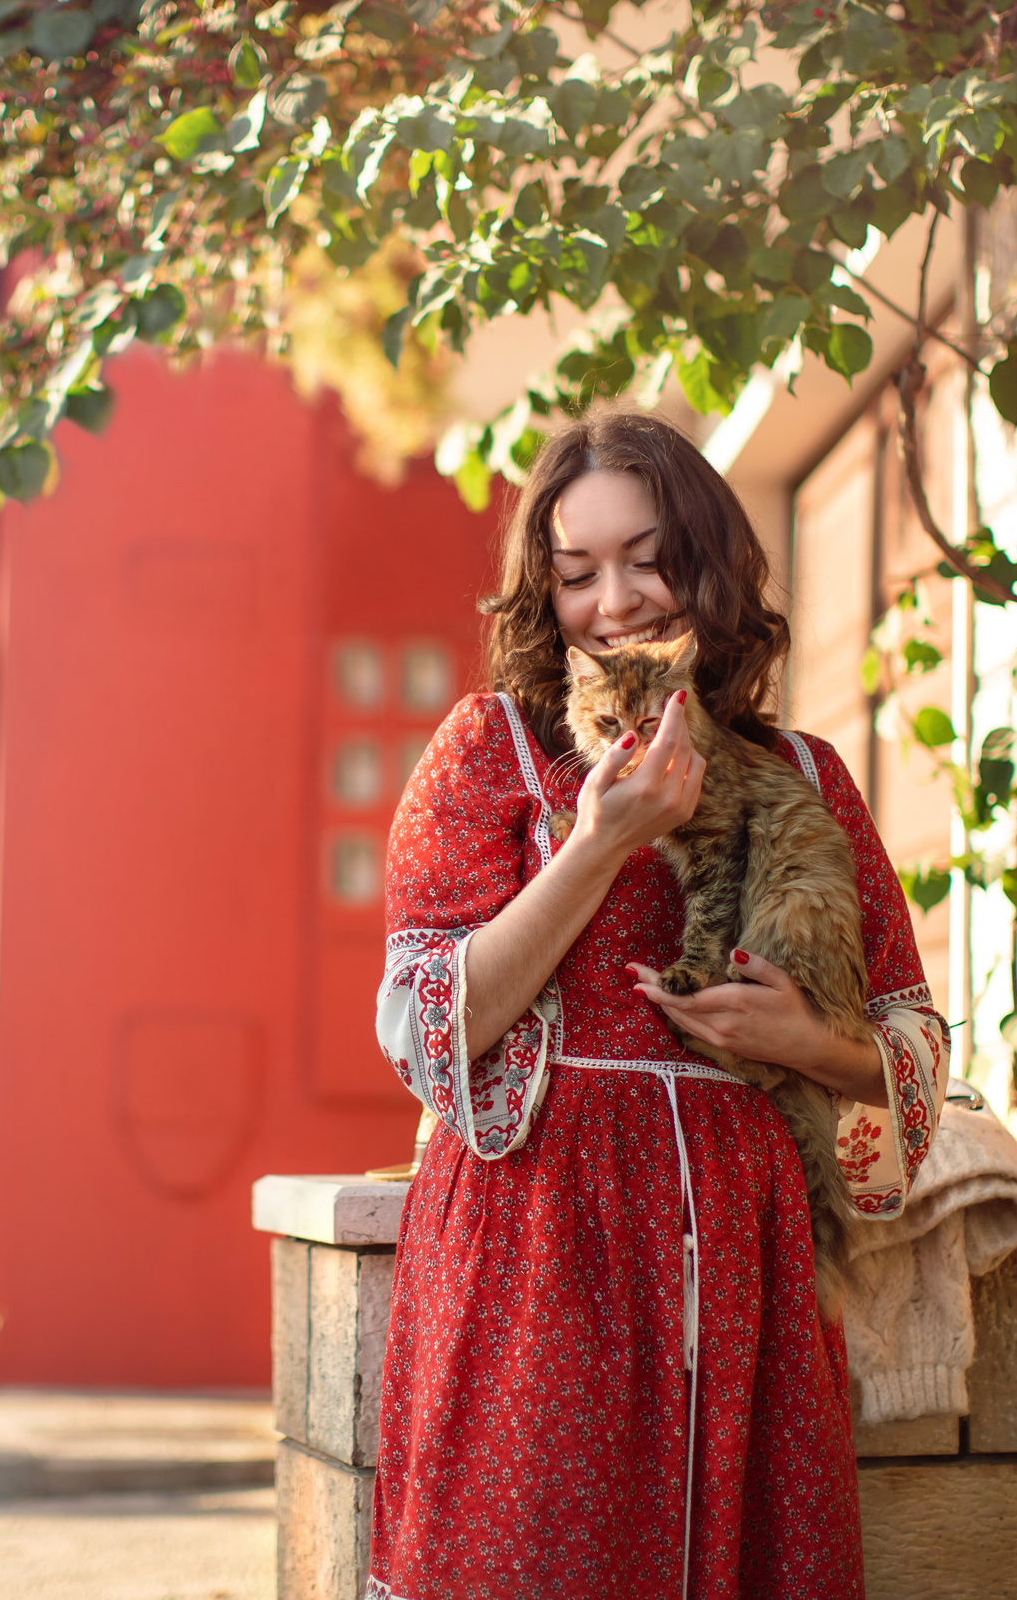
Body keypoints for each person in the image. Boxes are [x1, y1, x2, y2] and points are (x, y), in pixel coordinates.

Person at [368, 410, 946, 1600]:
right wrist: (597, 847)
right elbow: (426, 1028)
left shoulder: (806, 777)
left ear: (711, 563)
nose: (615, 600)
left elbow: (913, 1044)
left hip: (752, 1253)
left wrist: (808, 1046)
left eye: (648, 558)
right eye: (576, 574)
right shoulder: (489, 755)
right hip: (542, 1249)